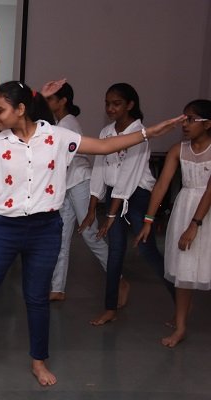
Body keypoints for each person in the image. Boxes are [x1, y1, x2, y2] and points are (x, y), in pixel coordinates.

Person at [0, 80, 183, 387]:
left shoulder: (56, 137)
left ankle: (38, 361)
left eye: (0, 110)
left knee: (37, 298)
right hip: (2, 229)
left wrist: (149, 133)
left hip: (45, 230)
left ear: (20, 109)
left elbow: (104, 146)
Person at [84, 83, 176, 326]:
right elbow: (99, 170)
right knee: (115, 250)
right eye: (107, 104)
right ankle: (110, 308)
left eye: (116, 104)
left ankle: (180, 302)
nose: (110, 108)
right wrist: (92, 208)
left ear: (130, 105)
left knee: (147, 251)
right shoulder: (106, 132)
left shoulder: (139, 133)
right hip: (115, 194)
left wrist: (110, 216)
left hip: (137, 196)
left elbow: (127, 177)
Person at [135, 99, 211, 347]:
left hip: (205, 212)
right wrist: (148, 220)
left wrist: (194, 225)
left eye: (191, 119)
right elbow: (161, 186)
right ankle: (180, 327)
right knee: (184, 270)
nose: (185, 124)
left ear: (207, 124)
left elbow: (210, 190)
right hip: (185, 208)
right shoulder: (178, 150)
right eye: (184, 118)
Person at [45, 83, 108, 301]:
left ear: (63, 101)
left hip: (80, 182)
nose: (48, 102)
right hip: (67, 184)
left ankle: (118, 279)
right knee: (60, 237)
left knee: (90, 234)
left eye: (51, 98)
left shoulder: (67, 124)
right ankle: (57, 288)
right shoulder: (60, 123)